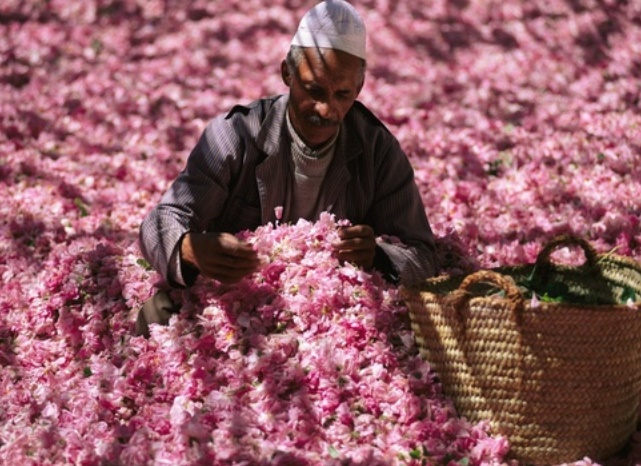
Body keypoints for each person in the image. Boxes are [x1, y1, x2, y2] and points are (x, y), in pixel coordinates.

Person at [136, 0, 438, 337]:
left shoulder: (378, 151)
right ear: (287, 73)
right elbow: (160, 220)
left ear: (359, 89)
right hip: (234, 310)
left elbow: (423, 254)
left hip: (331, 326)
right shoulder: (237, 135)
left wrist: (378, 257)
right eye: (313, 90)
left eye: (342, 94)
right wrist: (190, 248)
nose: (326, 109)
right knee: (158, 316)